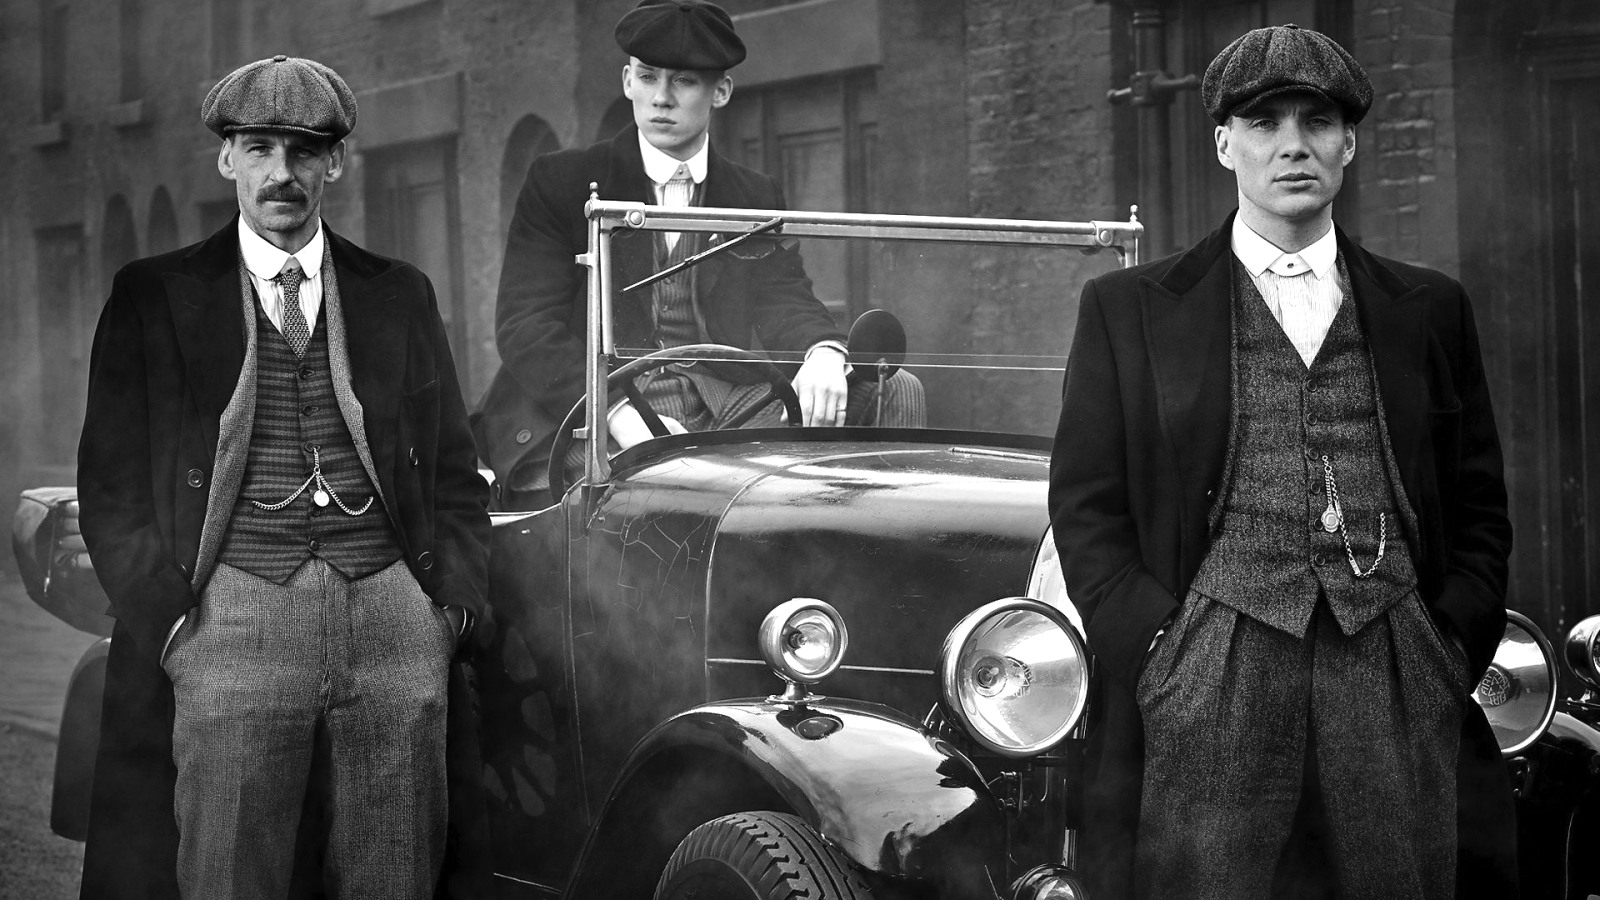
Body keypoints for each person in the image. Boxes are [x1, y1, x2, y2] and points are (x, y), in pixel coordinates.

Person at [1049, 24, 1516, 900]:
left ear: (1348, 142)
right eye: (1264, 123)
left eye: (1316, 121)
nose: (1291, 146)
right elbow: (1085, 503)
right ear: (1225, 143)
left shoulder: (1430, 308)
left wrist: (1446, 639)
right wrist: (1159, 647)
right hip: (1209, 664)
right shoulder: (1130, 309)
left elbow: (1479, 498)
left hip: (1393, 661)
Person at [75, 56, 491, 900]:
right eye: (259, 148)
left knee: (396, 874)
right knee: (230, 875)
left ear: (335, 162)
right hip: (229, 621)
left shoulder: (398, 293)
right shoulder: (154, 295)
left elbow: (453, 467)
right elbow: (110, 488)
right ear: (226, 157)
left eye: (305, 152)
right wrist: (171, 629)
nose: (281, 174)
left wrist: (442, 616)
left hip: (391, 620)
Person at [474, 0, 923, 510]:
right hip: (586, 411)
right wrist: (615, 411)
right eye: (647, 77)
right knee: (673, 491)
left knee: (893, 387)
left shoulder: (751, 193)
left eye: (684, 82)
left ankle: (876, 561)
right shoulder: (563, 181)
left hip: (721, 407)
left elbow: (785, 300)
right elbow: (525, 326)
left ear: (721, 91)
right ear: (627, 81)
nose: (660, 98)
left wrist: (824, 350)